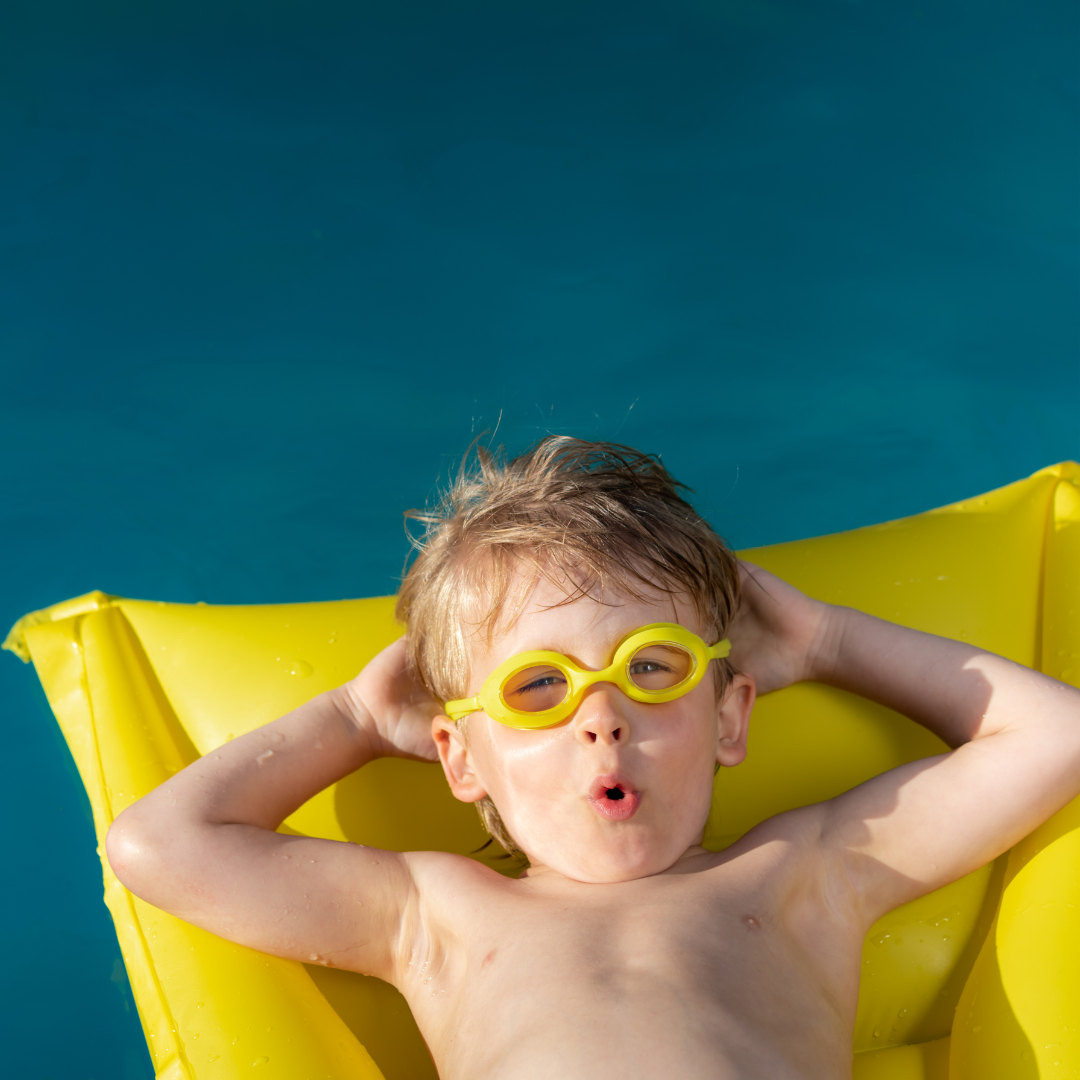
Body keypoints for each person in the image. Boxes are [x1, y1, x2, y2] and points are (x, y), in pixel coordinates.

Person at [106, 437, 1080, 1080]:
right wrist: (361, 713)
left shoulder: (810, 873)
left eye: (650, 671)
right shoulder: (433, 916)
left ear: (731, 718)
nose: (601, 720)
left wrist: (822, 640)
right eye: (538, 688)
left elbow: (1057, 738)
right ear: (460, 759)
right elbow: (158, 844)